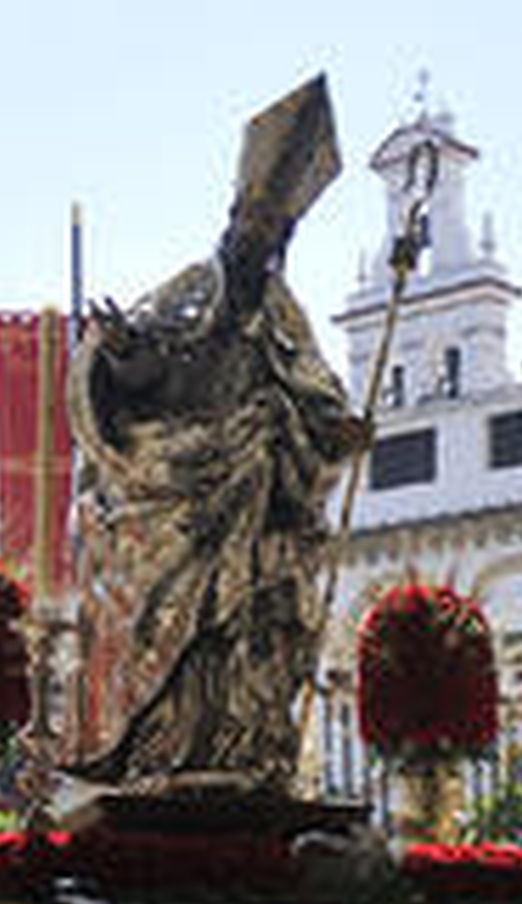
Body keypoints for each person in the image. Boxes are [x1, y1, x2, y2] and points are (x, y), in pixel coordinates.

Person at [66, 73, 364, 793]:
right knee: (180, 638)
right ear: (232, 223)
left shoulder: (286, 321)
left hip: (261, 517)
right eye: (250, 228)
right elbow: (137, 370)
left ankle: (244, 751)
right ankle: (167, 748)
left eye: (271, 235)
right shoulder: (189, 290)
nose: (257, 243)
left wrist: (334, 431)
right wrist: (125, 359)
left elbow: (318, 398)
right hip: (183, 507)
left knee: (253, 637)